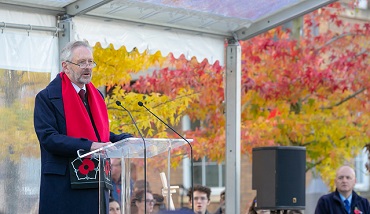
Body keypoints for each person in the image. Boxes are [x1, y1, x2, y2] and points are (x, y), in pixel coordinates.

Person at [34, 40, 132, 214]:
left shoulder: (96, 96)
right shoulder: (47, 97)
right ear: (66, 66)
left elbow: (99, 134)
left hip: (95, 185)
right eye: (81, 62)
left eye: (90, 62)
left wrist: (123, 140)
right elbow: (48, 138)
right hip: (64, 187)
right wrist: (89, 146)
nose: (88, 67)